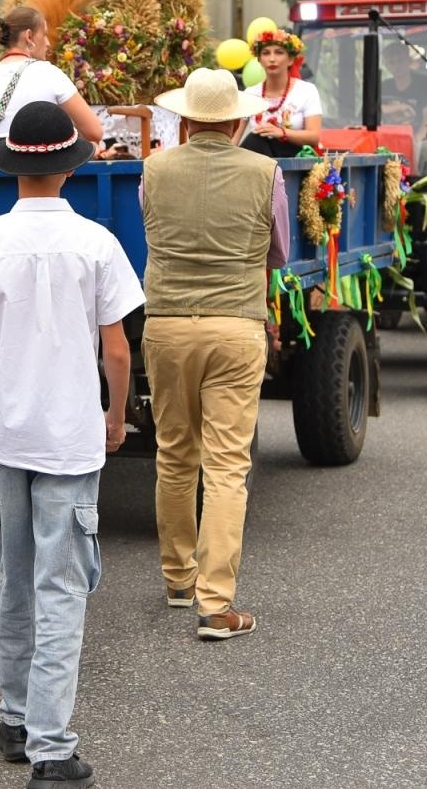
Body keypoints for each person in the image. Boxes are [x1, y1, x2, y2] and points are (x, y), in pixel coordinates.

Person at [0, 100, 144, 788]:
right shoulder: (97, 243)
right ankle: (52, 751)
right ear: (68, 166)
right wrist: (115, 416)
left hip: (5, 433)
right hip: (68, 436)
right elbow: (116, 351)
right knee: (62, 587)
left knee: (16, 578)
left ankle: (15, 719)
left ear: (12, 168)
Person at [143, 67, 289, 642]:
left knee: (174, 453)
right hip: (235, 325)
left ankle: (178, 580)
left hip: (168, 323)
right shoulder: (265, 171)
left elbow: (152, 232)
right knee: (227, 465)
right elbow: (277, 252)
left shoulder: (153, 169)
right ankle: (216, 603)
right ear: (237, 121)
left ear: (183, 119)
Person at [0, 5, 102, 144]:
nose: (48, 43)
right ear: (29, 36)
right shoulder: (50, 74)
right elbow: (95, 132)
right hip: (41, 171)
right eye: (44, 35)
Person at [238, 27, 322, 157]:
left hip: (293, 161)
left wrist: (281, 132)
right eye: (266, 53)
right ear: (259, 60)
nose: (272, 59)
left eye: (279, 52)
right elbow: (234, 138)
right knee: (255, 139)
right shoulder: (250, 94)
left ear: (291, 59)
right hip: (259, 159)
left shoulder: (306, 90)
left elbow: (313, 136)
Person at [381, 39, 427, 172]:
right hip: (389, 135)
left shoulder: (425, 83)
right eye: (392, 62)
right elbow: (374, 109)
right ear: (386, 65)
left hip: (419, 133)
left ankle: (421, 185)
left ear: (408, 61)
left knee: (426, 148)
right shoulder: (384, 86)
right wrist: (400, 107)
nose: (396, 65)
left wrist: (418, 137)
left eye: (400, 60)